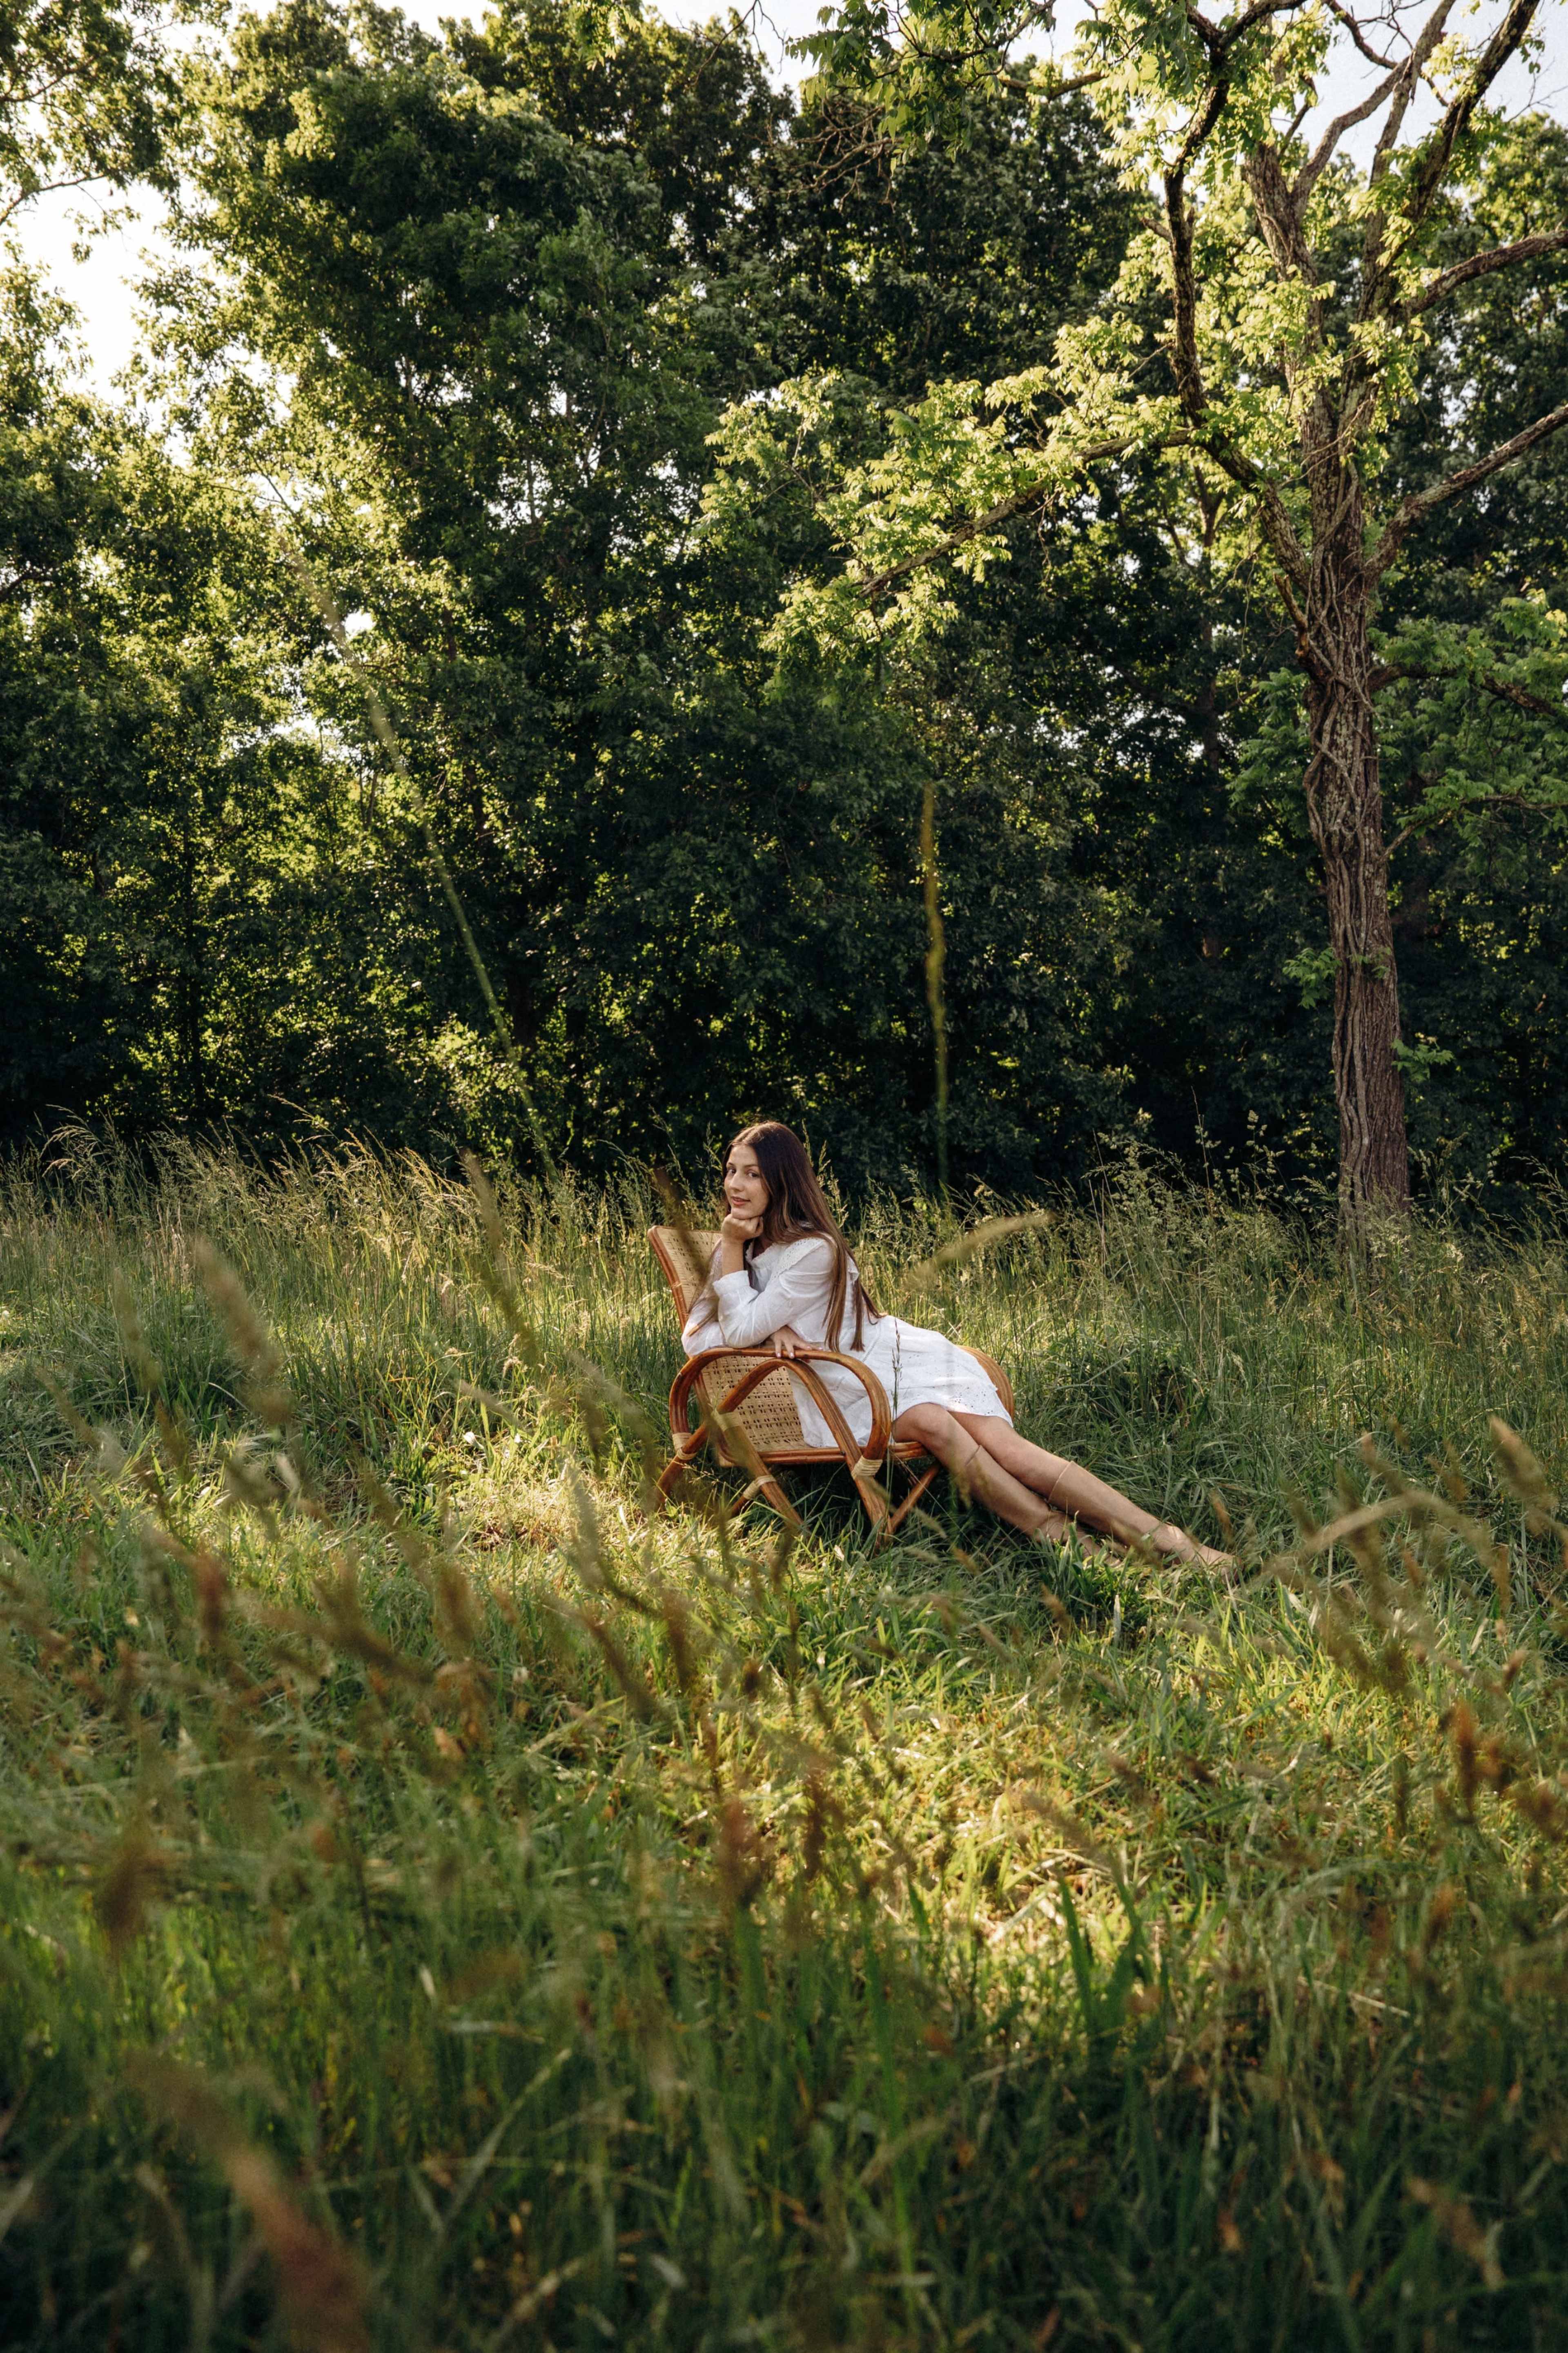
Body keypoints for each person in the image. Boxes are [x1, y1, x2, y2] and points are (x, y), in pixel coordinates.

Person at [681, 1120, 1227, 1567]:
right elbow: (699, 1336)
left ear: (780, 1179)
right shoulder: (735, 1250)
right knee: (936, 1425)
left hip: (884, 1361)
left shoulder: (813, 1249)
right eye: (731, 1170)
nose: (736, 1183)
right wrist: (752, 1291)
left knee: (1012, 1449)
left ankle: (1173, 1543)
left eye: (752, 1173)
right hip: (835, 1392)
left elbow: (743, 1324)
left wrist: (754, 1300)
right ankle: (1064, 1539)